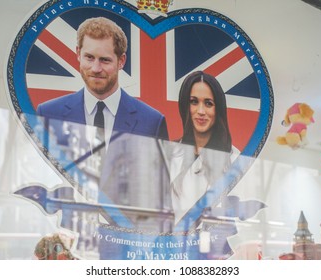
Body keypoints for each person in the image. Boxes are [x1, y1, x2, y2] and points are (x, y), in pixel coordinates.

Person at [36, 17, 168, 146]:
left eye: (105, 60)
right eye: (89, 57)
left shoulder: (152, 122)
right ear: (78, 54)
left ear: (121, 61)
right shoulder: (48, 114)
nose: (96, 69)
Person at [169, 71, 233, 223]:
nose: (201, 111)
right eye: (194, 102)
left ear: (218, 109)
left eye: (208, 103)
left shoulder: (234, 158)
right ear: (185, 105)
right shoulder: (169, 154)